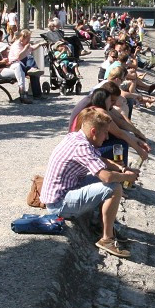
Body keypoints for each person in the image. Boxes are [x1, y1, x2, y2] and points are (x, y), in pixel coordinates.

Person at [40, 107, 139, 258]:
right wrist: (127, 178)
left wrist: (121, 168)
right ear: (94, 131)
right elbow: (106, 177)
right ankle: (107, 239)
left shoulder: (76, 137)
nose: (106, 137)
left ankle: (102, 223)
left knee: (107, 181)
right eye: (105, 132)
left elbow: (99, 159)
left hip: (65, 190)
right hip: (59, 204)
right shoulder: (82, 147)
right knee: (114, 187)